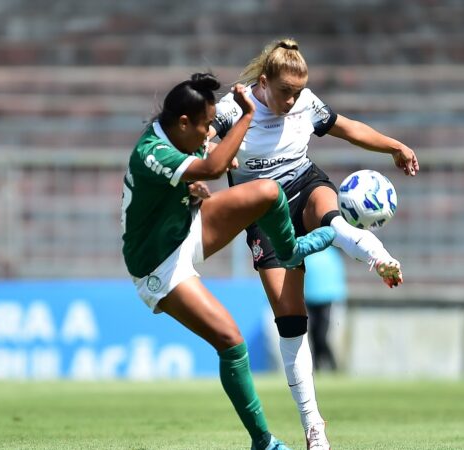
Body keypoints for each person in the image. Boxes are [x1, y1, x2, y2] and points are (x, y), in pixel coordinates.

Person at [209, 38, 420, 449]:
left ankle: (379, 258)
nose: (292, 99)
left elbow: (348, 128)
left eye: (297, 91)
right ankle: (314, 427)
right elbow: (202, 141)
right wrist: (215, 153)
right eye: (285, 91)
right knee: (292, 323)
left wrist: (394, 145)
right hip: (262, 213)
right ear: (265, 81)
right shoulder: (233, 108)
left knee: (332, 216)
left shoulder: (305, 101)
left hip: (304, 183)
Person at [120, 72, 336, 450]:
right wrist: (247, 116)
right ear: (184, 122)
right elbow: (213, 167)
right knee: (231, 341)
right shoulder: (151, 151)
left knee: (267, 192)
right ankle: (263, 441)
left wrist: (193, 186)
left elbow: (204, 168)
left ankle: (290, 252)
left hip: (187, 226)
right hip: (158, 263)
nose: (209, 133)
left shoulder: (185, 133)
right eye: (206, 126)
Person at [304, 247, 347, 372]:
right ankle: (317, 366)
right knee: (313, 334)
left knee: (321, 335)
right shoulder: (309, 251)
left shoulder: (330, 254)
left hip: (326, 300)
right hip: (309, 299)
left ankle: (332, 366)